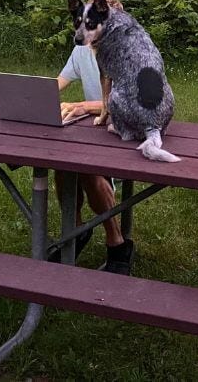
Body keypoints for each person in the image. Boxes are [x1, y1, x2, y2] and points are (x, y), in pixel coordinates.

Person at [54, 44, 134, 275]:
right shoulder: (82, 49)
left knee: (87, 169)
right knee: (61, 163)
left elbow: (130, 102)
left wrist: (82, 106)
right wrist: (30, 96)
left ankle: (117, 243)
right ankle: (75, 232)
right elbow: (58, 83)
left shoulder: (128, 52)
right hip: (96, 130)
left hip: (127, 131)